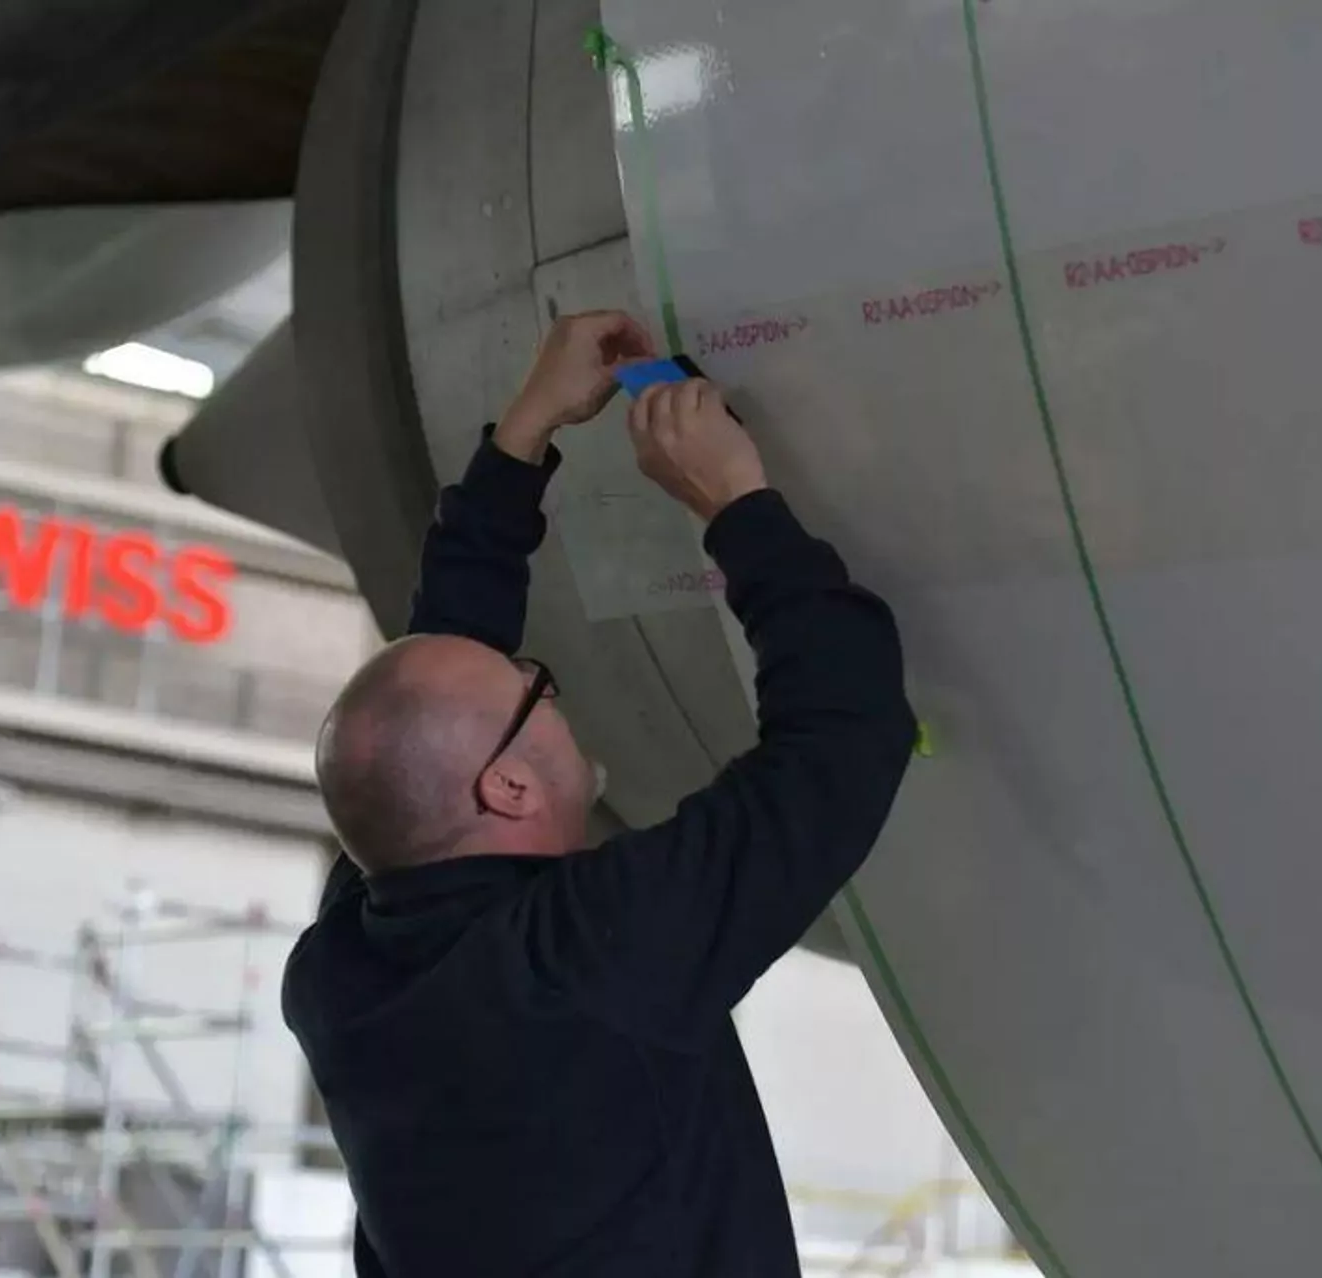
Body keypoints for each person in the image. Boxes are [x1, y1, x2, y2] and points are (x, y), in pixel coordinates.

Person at [283, 311, 917, 1277]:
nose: (547, 680)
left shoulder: (345, 970)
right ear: (503, 787)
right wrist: (735, 501)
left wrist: (521, 436)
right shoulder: (585, 957)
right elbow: (843, 736)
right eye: (536, 688)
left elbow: (435, 691)